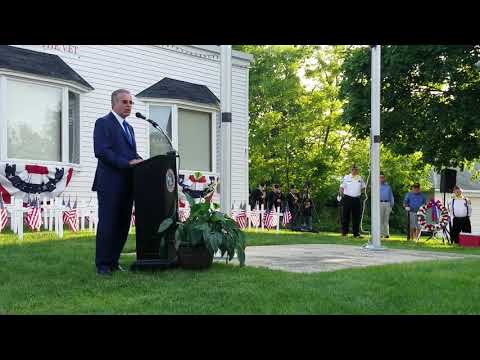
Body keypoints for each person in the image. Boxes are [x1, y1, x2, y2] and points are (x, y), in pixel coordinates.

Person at [92, 89, 143, 276]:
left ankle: (113, 261)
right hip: (110, 183)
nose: (129, 105)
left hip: (128, 183)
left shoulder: (129, 128)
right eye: (125, 102)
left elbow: (131, 154)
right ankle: (102, 265)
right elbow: (102, 151)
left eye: (131, 102)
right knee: (108, 223)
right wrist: (127, 163)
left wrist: (142, 162)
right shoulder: (103, 123)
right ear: (114, 103)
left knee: (123, 224)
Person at [339, 164, 366, 238]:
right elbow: (341, 187)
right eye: (353, 169)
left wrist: (362, 193)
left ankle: (356, 233)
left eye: (356, 169)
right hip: (347, 198)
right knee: (345, 216)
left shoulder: (360, 178)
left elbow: (363, 188)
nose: (354, 170)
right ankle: (344, 232)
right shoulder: (346, 177)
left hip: (356, 199)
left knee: (356, 217)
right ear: (351, 170)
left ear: (357, 170)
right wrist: (341, 195)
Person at [379, 173, 394, 238]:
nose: (381, 179)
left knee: (386, 219)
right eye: (380, 177)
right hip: (379, 203)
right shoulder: (376, 186)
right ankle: (381, 234)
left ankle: (386, 234)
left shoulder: (388, 187)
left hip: (387, 204)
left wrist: (391, 205)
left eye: (382, 177)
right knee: (380, 219)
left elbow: (391, 196)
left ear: (384, 178)